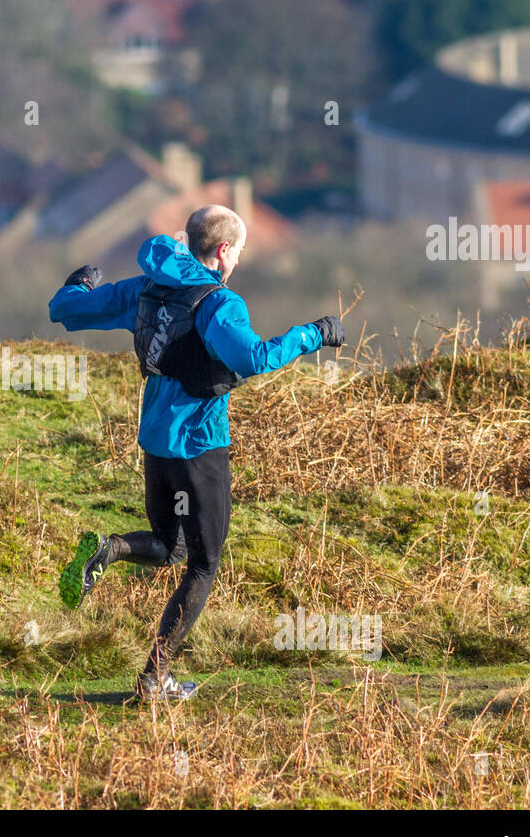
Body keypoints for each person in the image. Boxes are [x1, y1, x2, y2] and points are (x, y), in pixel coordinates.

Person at [49, 205, 344, 701]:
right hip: (199, 447)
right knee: (203, 565)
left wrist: (78, 284)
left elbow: (65, 311)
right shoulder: (217, 303)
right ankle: (153, 680)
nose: (239, 262)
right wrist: (314, 334)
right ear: (224, 250)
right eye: (240, 252)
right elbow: (253, 358)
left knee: (171, 546)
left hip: (156, 445)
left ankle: (111, 548)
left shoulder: (149, 287)